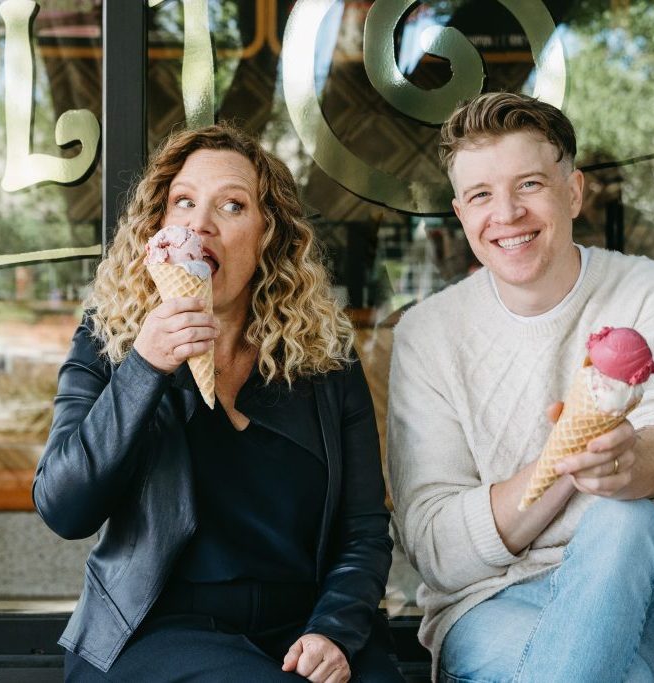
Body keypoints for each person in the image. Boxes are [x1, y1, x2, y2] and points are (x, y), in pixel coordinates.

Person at [34, 124, 404, 682]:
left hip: (301, 626)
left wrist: (335, 630)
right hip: (155, 628)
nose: (200, 223)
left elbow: (363, 529)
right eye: (183, 202)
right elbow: (64, 508)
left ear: (269, 235)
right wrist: (144, 368)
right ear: (158, 225)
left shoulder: (325, 358)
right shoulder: (109, 339)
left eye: (232, 205)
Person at [387, 92, 654, 682]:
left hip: (640, 592)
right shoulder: (427, 334)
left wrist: (626, 462)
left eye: (529, 184)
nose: (507, 213)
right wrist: (564, 462)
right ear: (460, 213)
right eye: (481, 195)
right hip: (488, 605)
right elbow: (436, 550)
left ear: (574, 192)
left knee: (625, 519)